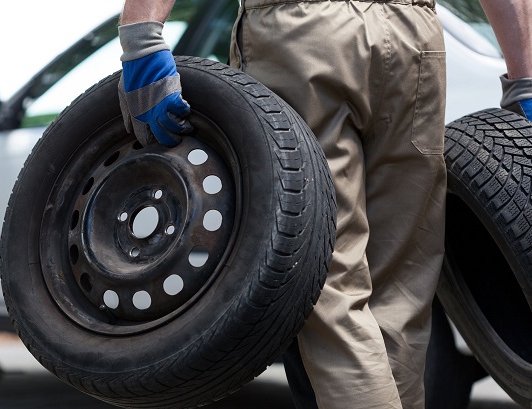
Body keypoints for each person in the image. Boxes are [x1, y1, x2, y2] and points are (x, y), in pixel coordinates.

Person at [117, 0, 532, 408]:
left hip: (304, 32)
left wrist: (142, 36)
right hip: (413, 35)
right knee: (401, 290)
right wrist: (524, 76)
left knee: (326, 284)